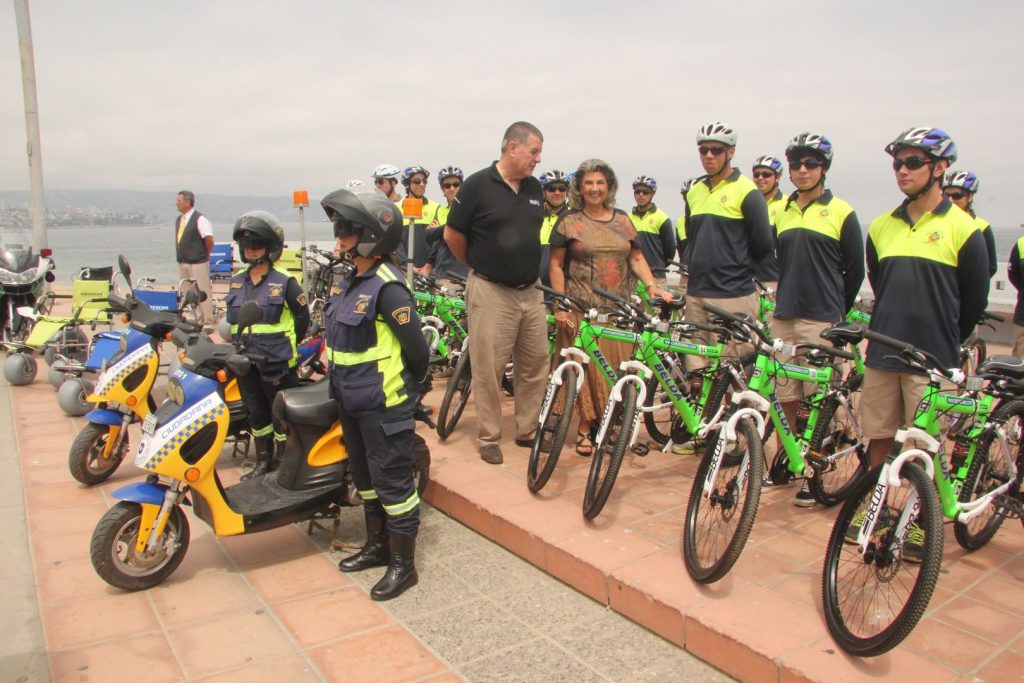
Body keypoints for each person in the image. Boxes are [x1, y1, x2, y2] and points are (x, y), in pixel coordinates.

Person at [321, 188, 431, 601]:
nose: (340, 236)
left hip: (383, 403)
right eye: (339, 228)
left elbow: (417, 350)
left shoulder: (388, 288)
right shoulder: (351, 280)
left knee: (393, 482)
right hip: (351, 401)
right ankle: (378, 546)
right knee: (365, 478)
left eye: (348, 229)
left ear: (372, 236)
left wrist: (410, 392)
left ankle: (404, 566)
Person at [862, 128, 989, 469]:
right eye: (898, 164)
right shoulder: (880, 227)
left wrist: (943, 342)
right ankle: (874, 509)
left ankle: (919, 519)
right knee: (879, 438)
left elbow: (974, 301)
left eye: (913, 162)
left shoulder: (965, 230)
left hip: (932, 360)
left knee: (924, 449)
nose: (903, 170)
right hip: (883, 354)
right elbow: (880, 283)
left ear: (940, 167)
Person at [444, 121, 550, 465]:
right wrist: (480, 265)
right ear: (512, 147)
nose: (538, 159)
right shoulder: (477, 185)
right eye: (534, 151)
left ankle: (527, 430)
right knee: (489, 367)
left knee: (535, 364)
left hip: (530, 292)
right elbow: (452, 235)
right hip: (491, 291)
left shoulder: (534, 187)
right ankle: (489, 435)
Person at [549, 160, 671, 456]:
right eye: (588, 183)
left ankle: (610, 424)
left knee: (614, 371)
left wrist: (654, 286)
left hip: (618, 312)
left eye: (600, 183)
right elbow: (555, 264)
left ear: (609, 187)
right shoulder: (569, 221)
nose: (594, 188)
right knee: (583, 372)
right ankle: (584, 429)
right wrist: (560, 303)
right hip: (581, 310)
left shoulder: (623, 220)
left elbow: (637, 258)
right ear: (579, 187)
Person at [771, 133, 864, 503]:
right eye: (797, 165)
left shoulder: (842, 211)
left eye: (811, 163)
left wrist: (835, 311)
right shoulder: (781, 211)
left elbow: (855, 270)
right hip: (784, 315)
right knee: (785, 396)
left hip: (821, 318)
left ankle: (815, 473)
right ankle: (786, 461)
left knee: (821, 401)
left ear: (824, 168)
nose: (803, 170)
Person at [682, 121, 774, 369]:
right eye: (703, 150)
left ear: (730, 152)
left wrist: (736, 270)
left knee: (733, 370)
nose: (709, 155)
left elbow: (763, 244)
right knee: (697, 372)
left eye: (716, 149)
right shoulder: (695, 192)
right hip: (697, 293)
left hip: (733, 295)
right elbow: (692, 237)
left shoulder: (747, 191)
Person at [225, 211, 310, 479]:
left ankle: (284, 458)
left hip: (276, 362)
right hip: (245, 361)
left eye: (256, 245)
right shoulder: (237, 280)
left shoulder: (285, 282)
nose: (250, 252)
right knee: (256, 412)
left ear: (271, 247)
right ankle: (263, 460)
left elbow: (302, 319)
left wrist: (285, 345)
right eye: (246, 246)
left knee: (280, 414)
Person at [943, 170, 997, 277]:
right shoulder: (934, 222)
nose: (950, 200)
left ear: (970, 197)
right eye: (946, 195)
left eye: (957, 196)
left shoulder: (982, 227)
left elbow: (991, 267)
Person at [174, 190, 215, 328]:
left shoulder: (200, 219)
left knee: (202, 290)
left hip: (198, 262)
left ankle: (208, 320)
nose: (176, 204)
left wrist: (205, 255)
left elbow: (209, 239)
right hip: (183, 262)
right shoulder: (179, 220)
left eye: (179, 201)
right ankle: (196, 318)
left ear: (187, 202)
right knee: (188, 292)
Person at [628, 176, 676, 282]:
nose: (641, 195)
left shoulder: (662, 217)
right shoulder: (628, 218)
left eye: (645, 192)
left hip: (656, 277)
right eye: (637, 191)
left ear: (652, 194)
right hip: (633, 277)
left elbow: (670, 251)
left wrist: (657, 266)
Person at [424, 166, 469, 281]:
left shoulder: (469, 208)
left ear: (462, 186)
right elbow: (429, 236)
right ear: (442, 189)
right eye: (447, 186)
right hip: (443, 271)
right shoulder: (440, 210)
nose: (452, 188)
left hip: (464, 272)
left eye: (456, 184)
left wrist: (440, 230)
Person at [750, 155, 785, 290]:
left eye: (766, 174)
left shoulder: (787, 205)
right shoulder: (747, 203)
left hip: (773, 280)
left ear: (778, 177)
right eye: (756, 174)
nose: (760, 178)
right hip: (746, 279)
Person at [395, 165, 439, 271]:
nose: (422, 184)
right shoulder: (396, 208)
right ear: (407, 184)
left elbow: (437, 241)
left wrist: (429, 265)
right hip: (405, 270)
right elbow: (396, 241)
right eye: (417, 181)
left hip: (430, 270)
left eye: (424, 181)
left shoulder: (436, 207)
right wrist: (407, 265)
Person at [538, 170, 571, 287]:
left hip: (563, 288)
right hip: (535, 289)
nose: (557, 192)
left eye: (562, 189)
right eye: (551, 188)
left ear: (567, 193)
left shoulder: (573, 220)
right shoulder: (535, 218)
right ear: (543, 192)